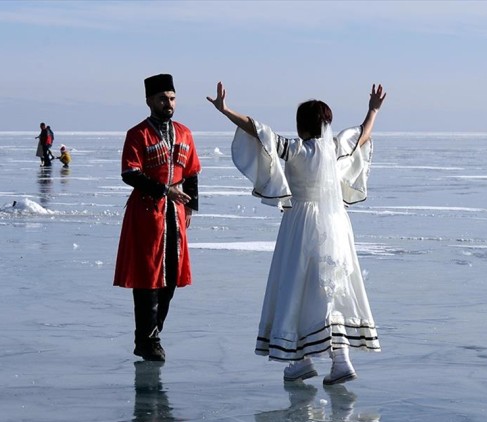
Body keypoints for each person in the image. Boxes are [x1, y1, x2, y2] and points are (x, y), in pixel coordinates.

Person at [206, 82, 385, 384]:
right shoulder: (337, 148)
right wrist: (373, 110)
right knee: (332, 285)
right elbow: (363, 135)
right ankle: (339, 359)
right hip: (335, 223)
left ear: (302, 125)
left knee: (296, 287)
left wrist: (225, 111)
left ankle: (302, 359)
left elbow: (256, 130)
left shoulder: (296, 150)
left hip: (300, 222)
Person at [114, 74, 201, 362]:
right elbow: (130, 173)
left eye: (172, 98)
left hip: (175, 216)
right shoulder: (138, 134)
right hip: (147, 214)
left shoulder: (185, 133)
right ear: (150, 100)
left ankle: (152, 333)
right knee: (148, 276)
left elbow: (191, 173)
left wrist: (189, 207)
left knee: (172, 276)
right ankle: (148, 339)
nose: (169, 103)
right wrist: (165, 190)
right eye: (163, 98)